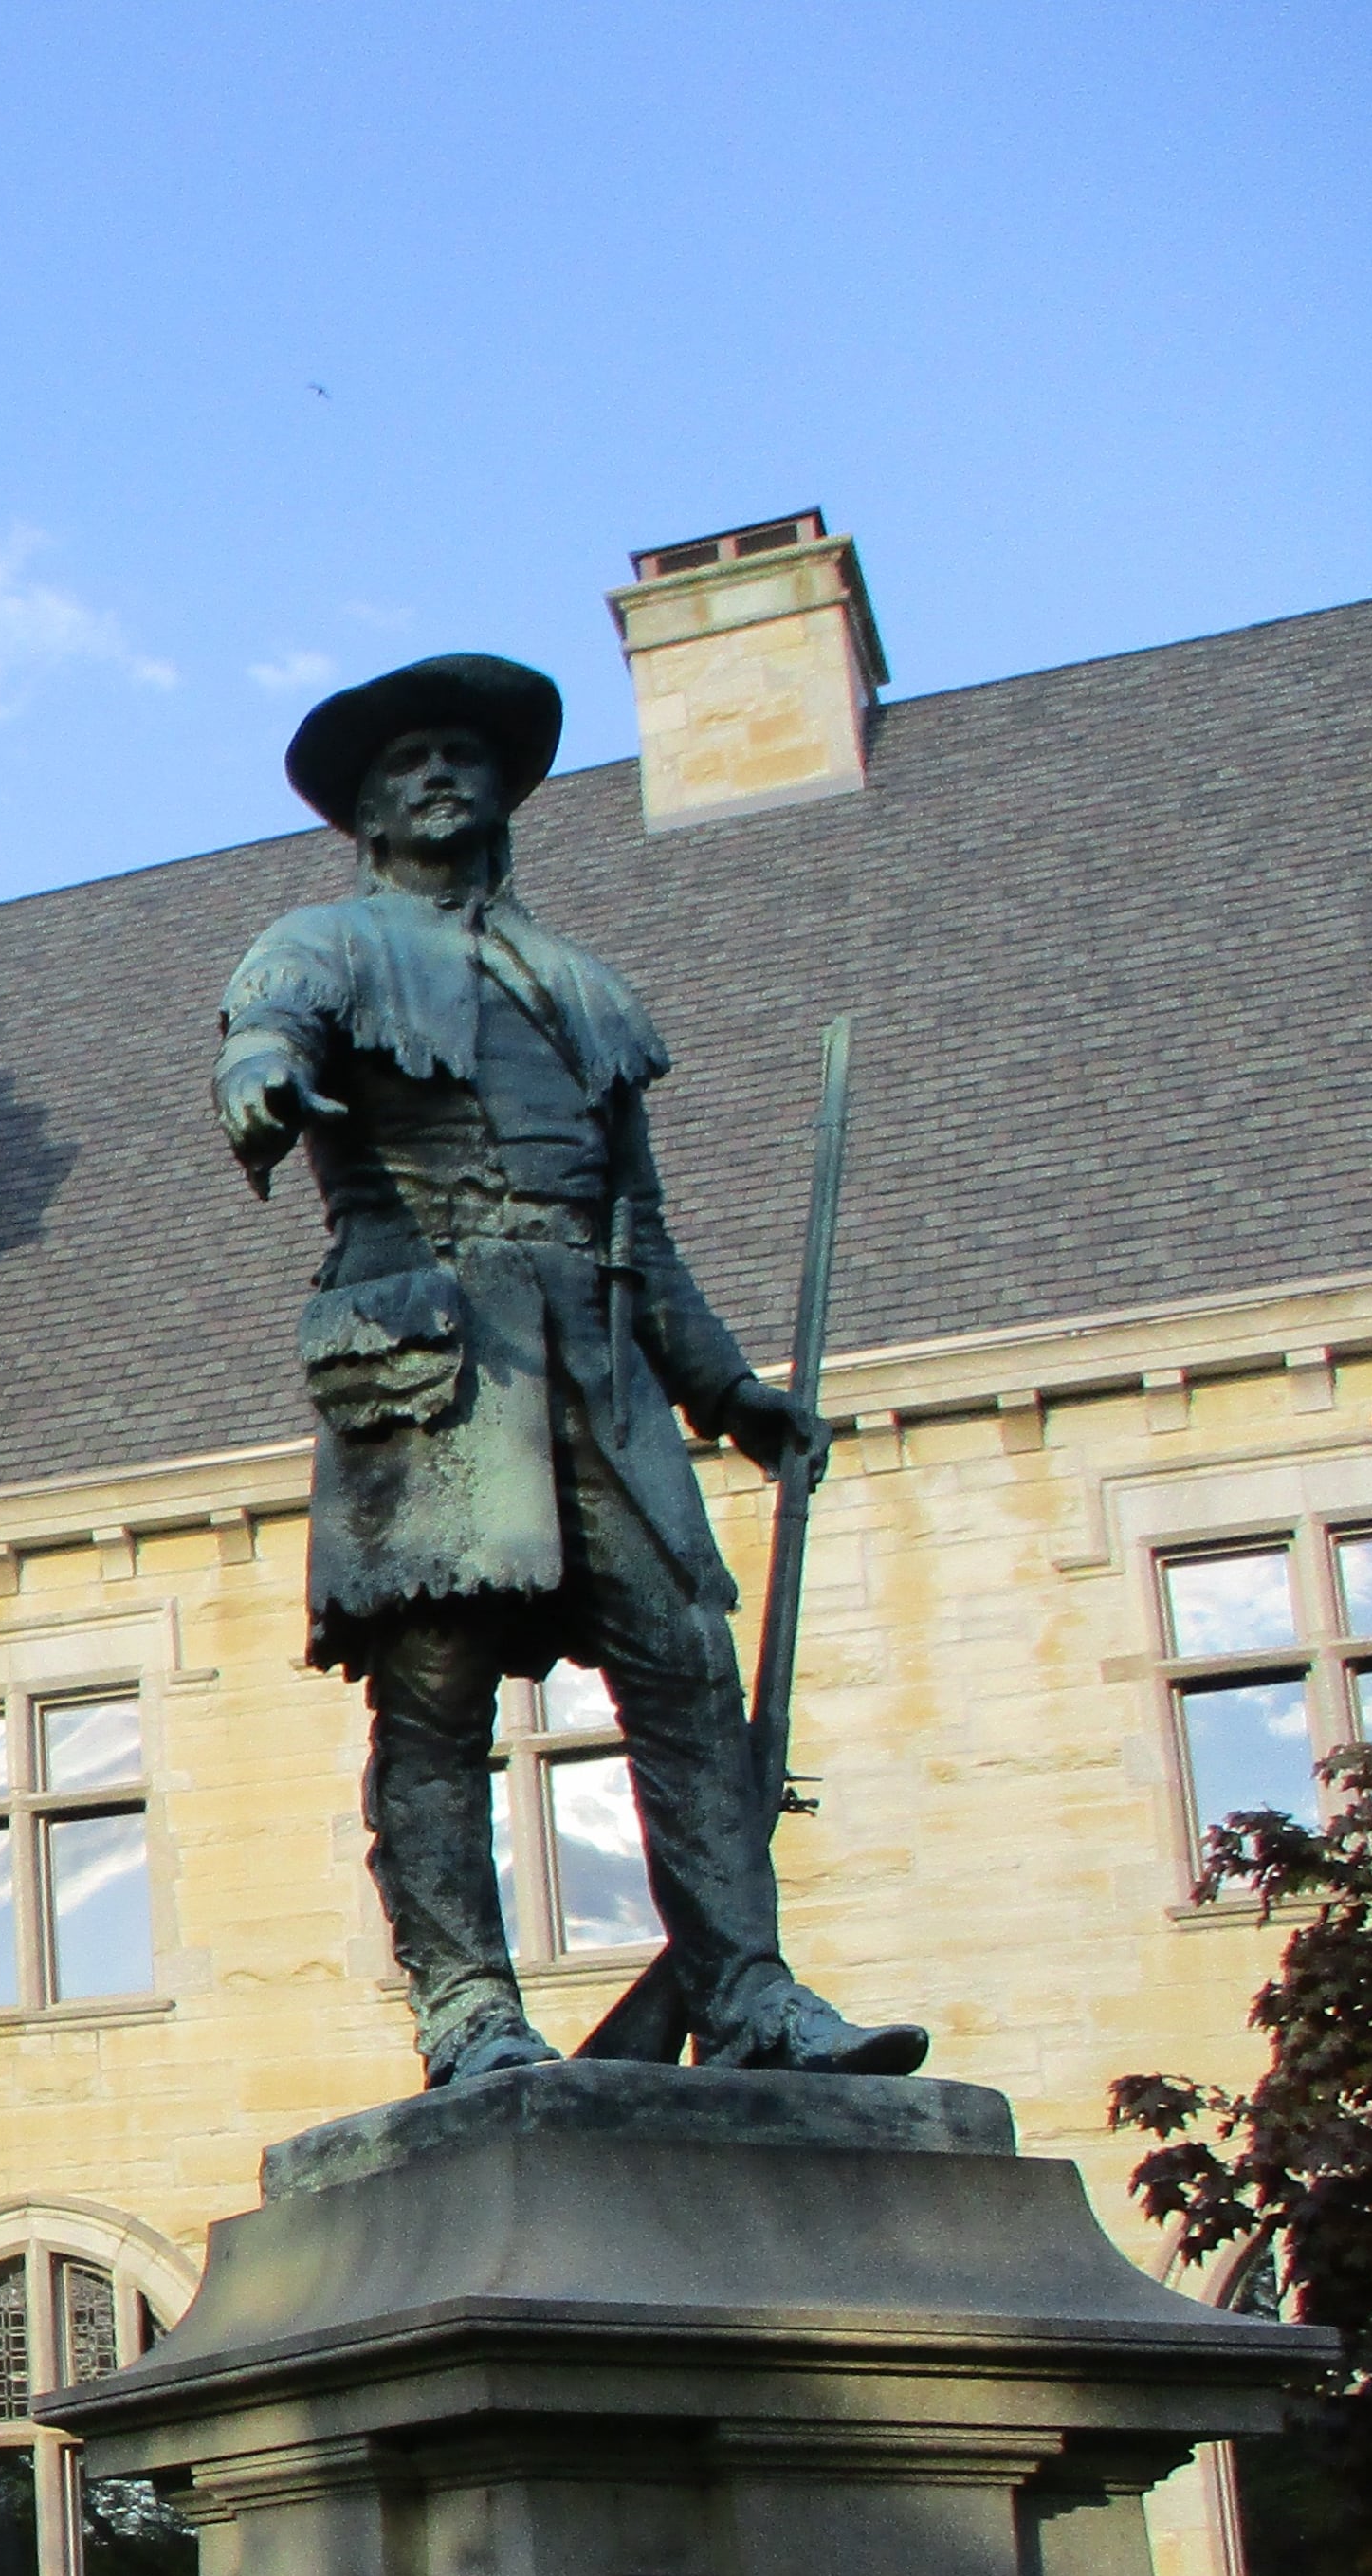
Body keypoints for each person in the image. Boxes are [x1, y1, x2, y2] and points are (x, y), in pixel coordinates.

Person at [216, 653, 925, 2088]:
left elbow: (638, 1227)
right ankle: (469, 2005)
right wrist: (259, 1079)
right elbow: (264, 1029)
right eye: (410, 757)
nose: (441, 774)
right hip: (433, 1356)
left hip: (597, 1363)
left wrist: (728, 1389)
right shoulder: (325, 943)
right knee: (436, 1696)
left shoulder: (583, 990)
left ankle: (749, 1994)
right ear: (365, 806)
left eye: (466, 755)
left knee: (685, 1673)